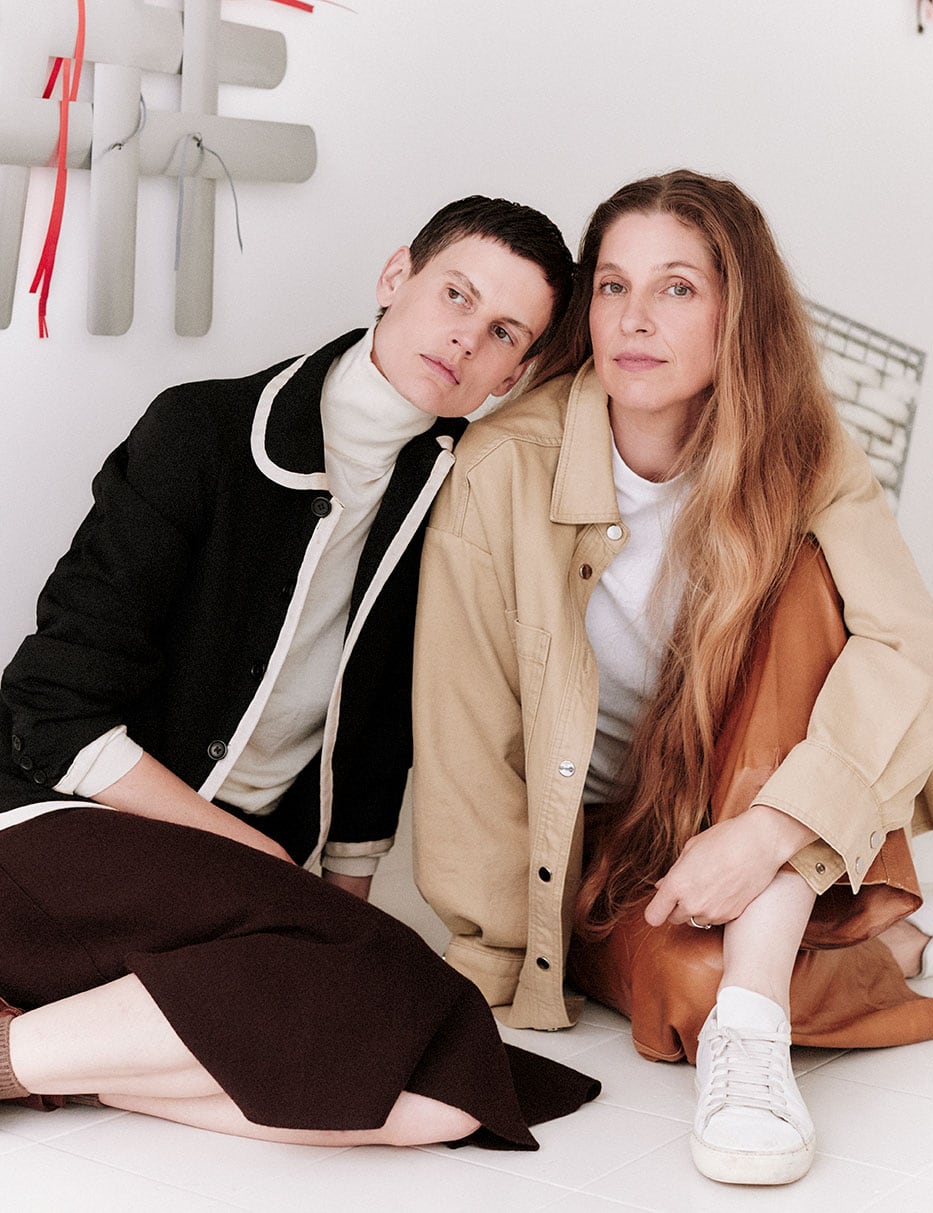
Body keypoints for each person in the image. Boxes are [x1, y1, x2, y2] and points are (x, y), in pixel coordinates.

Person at [0, 196, 602, 1147]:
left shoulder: (448, 496)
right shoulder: (201, 429)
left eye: (502, 332)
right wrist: (272, 871)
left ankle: (41, 1058)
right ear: (395, 277)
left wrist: (337, 910)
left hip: (225, 902)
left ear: (511, 375)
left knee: (440, 1105)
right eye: (455, 294)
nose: (465, 336)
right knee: (406, 1008)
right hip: (50, 828)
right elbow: (49, 710)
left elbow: (377, 732)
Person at [412, 170, 933, 1184]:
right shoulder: (503, 466)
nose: (634, 318)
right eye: (612, 286)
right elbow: (465, 736)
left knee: (806, 587)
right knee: (686, 990)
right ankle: (878, 947)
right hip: (613, 843)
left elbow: (914, 655)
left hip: (764, 798)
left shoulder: (804, 452)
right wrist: (496, 962)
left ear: (735, 310)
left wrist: (764, 831)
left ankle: (753, 1028)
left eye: (675, 287)